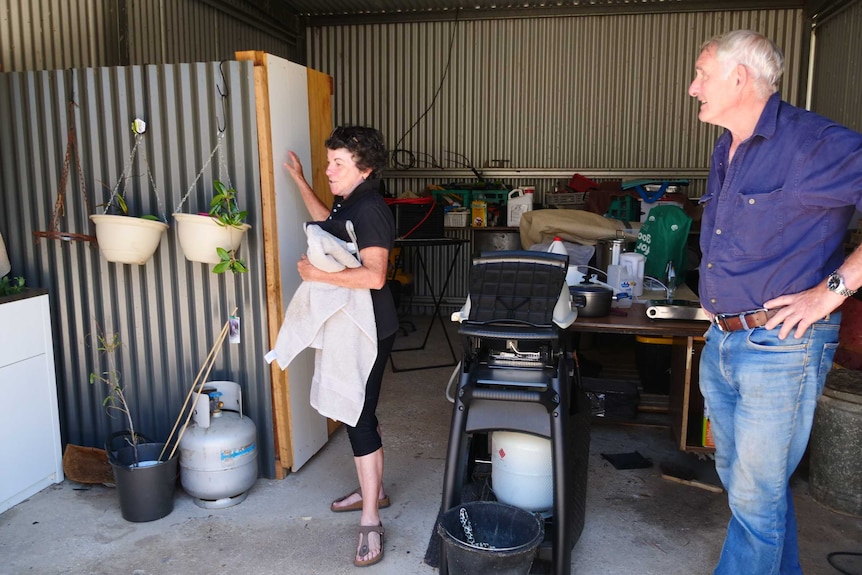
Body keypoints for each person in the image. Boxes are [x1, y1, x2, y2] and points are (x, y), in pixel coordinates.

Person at [688, 29, 862, 574]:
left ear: (739, 78)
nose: (693, 88)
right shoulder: (728, 146)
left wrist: (830, 291)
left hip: (780, 347)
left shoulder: (813, 144)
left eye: (701, 74)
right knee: (752, 494)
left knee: (755, 500)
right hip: (725, 339)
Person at [284, 126, 397, 568]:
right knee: (358, 410)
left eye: (338, 164)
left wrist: (319, 277)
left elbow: (375, 276)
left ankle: (371, 517)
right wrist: (299, 180)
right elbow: (326, 225)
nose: (329, 170)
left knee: (358, 415)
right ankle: (377, 491)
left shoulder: (370, 209)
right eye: (329, 161)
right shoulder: (350, 199)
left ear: (363, 169)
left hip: (372, 327)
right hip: (355, 323)